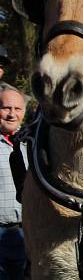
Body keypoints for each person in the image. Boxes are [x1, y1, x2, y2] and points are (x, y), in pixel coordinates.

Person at [0, 85, 27, 280]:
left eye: (17, 109)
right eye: (6, 108)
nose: (12, 114)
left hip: (25, 234)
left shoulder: (32, 144)